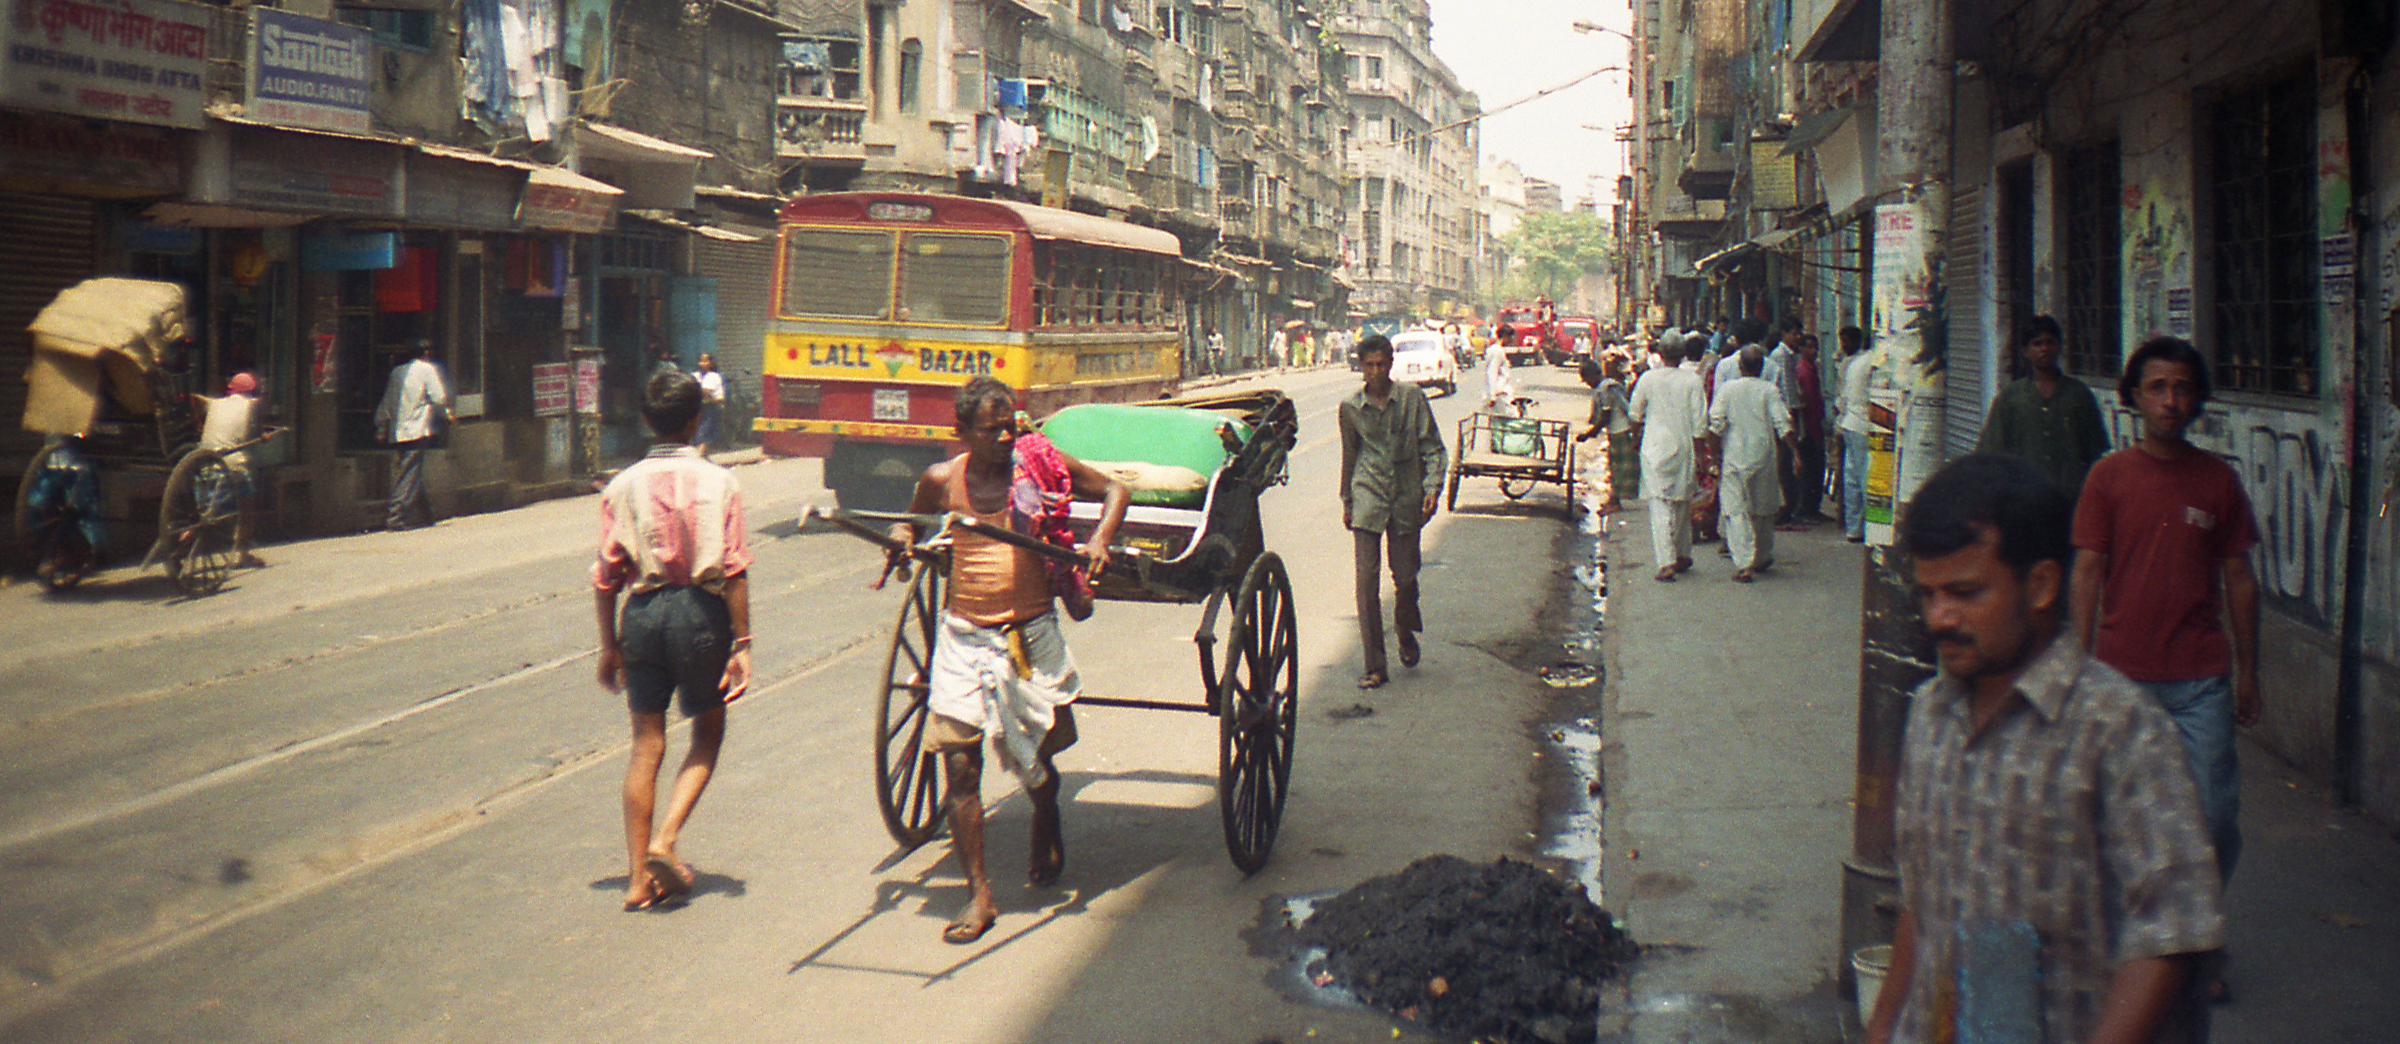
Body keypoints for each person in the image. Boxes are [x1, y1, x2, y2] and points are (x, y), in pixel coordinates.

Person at [1868, 452, 2226, 1044]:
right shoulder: (1930, 714)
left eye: (1964, 592)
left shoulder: (2121, 729)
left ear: (2040, 585)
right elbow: (1921, 900)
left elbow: (2173, 933)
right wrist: (1882, 1028)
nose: (1940, 617)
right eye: (1928, 595)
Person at [891, 376, 1129, 943]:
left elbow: (1115, 489)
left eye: (1009, 426)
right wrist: (901, 539)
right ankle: (979, 893)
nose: (1004, 438)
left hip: (1029, 635)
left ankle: (1046, 811)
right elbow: (909, 521)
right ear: (962, 433)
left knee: (1040, 758)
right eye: (990, 430)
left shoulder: (1037, 465)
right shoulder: (941, 480)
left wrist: (1099, 539)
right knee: (960, 769)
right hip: (963, 638)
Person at [2070, 335, 2261, 889]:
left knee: (2214, 817)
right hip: (2121, 678)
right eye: (2156, 388)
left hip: (2200, 682)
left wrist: (2249, 673)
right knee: (2117, 816)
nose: (2170, 402)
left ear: (2197, 398)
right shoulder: (2108, 477)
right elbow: (2086, 573)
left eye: (2182, 389)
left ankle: (2195, 928)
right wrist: (2077, 667)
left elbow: (2239, 579)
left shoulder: (2218, 480)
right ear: (2134, 395)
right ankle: (2139, 926)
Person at [593, 370, 755, 912]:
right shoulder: (721, 482)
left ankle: (636, 880)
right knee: (707, 733)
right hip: (699, 615)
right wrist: (742, 642)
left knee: (646, 745)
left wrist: (609, 646)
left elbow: (605, 578)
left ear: (646, 419)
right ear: (696, 420)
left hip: (641, 614)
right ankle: (664, 840)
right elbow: (734, 569)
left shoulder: (621, 486)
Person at [1339, 334, 1448, 689]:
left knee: (1405, 577)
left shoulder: (1412, 399)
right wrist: (1347, 501)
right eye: (1369, 365)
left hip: (1405, 496)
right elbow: (1350, 455)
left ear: (1390, 364)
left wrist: (1432, 488)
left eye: (1381, 364)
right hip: (1367, 494)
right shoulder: (1351, 408)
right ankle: (1375, 665)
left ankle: (1404, 628)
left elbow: (1433, 447)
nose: (1375, 372)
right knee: (1366, 584)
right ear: (1360, 367)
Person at [1977, 315, 2111, 501]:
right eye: (2037, 343)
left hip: (2071, 500)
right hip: (2025, 501)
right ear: (2026, 351)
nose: (2044, 349)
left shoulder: (2079, 395)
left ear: (2059, 347)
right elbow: (1991, 453)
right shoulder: (2011, 398)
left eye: (2050, 342)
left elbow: (2095, 452)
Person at [1707, 346, 1794, 582]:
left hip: (1735, 456)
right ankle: (1762, 556)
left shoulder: (1727, 390)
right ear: (1762, 368)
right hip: (1763, 454)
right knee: (1763, 509)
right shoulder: (1769, 390)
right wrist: (1796, 454)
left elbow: (1715, 425)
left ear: (1740, 366)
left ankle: (1744, 563)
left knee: (1735, 510)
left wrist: (1713, 456)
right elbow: (1783, 424)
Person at [1626, 334, 1708, 582]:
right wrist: (1701, 454)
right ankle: (1682, 554)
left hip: (1654, 448)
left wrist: (1634, 437)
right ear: (1682, 354)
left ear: (1660, 354)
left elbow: (1635, 414)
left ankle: (1666, 561)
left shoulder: (1648, 378)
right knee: (1682, 500)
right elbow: (1699, 423)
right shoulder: (1692, 380)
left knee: (1660, 503)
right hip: (1684, 447)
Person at [373, 341, 452, 531]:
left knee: (411, 471)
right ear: (426, 353)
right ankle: (395, 516)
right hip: (417, 429)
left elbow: (387, 400)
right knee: (409, 473)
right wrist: (446, 413)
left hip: (398, 431)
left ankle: (426, 514)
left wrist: (381, 426)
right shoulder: (427, 369)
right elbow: (439, 397)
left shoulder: (397, 372)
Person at [195, 372, 269, 567]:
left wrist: (199, 424)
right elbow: (258, 432)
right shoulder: (252, 404)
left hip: (205, 463)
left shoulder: (214, 403)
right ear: (251, 391)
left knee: (202, 509)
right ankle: (243, 554)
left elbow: (196, 400)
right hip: (231, 465)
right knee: (247, 505)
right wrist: (263, 436)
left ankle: (182, 541)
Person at [1764, 317, 1808, 527]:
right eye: (1794, 333)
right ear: (1785, 333)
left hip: (1791, 411)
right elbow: (1783, 388)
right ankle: (1784, 508)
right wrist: (1788, 415)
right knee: (1784, 461)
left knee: (1789, 461)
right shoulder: (1779, 356)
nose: (1797, 337)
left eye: (1799, 333)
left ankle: (1789, 507)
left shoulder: (1791, 356)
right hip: (1784, 412)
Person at [1574, 355, 1633, 512]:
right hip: (1617, 431)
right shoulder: (1607, 386)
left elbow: (1604, 416)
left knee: (1619, 468)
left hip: (1621, 431)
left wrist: (1588, 434)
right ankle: (1613, 500)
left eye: (1586, 380)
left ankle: (1615, 502)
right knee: (1615, 467)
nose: (1588, 384)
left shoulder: (1606, 389)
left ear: (1592, 375)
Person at [1834, 326, 1874, 542]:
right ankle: (1873, 528)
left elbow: (1842, 397)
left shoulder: (1853, 363)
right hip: (1863, 425)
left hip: (1849, 423)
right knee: (1865, 476)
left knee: (1852, 477)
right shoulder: (1873, 363)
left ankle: (1854, 528)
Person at [1792, 332, 1829, 523]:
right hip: (1809, 427)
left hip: (1813, 425)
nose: (1814, 351)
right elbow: (1810, 406)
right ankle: (1807, 510)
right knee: (1811, 471)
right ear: (1802, 349)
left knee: (1815, 470)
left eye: (1816, 348)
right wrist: (1815, 434)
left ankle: (1813, 509)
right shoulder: (1804, 371)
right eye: (1809, 347)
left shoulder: (1810, 369)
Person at [692, 352, 727, 458]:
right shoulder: (695, 376)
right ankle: (702, 457)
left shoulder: (714, 376)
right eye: (701, 361)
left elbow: (716, 396)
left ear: (711, 363)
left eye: (706, 361)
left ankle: (701, 456)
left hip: (710, 409)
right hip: (697, 408)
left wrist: (703, 393)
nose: (703, 363)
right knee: (697, 433)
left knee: (703, 434)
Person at [1481, 324, 1515, 412]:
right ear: (1505, 336)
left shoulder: (1494, 349)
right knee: (1511, 416)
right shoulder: (1498, 351)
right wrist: (1492, 395)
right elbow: (1492, 371)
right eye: (1511, 336)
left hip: (1499, 392)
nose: (1512, 339)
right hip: (1500, 392)